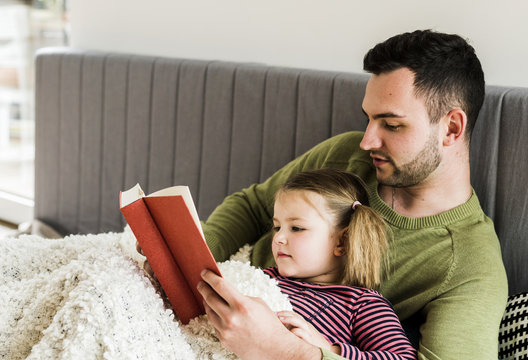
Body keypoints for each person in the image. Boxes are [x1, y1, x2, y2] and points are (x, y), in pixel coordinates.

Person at [196, 29, 508, 360]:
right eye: (369, 119)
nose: (367, 141)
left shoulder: (470, 265)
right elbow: (252, 205)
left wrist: (286, 350)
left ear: (451, 128)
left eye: (391, 124)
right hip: (217, 295)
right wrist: (192, 264)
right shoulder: (345, 155)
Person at [265, 168, 416, 359]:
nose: (278, 237)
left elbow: (403, 357)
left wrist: (329, 349)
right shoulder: (264, 278)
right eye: (277, 227)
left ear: (342, 242)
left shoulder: (361, 304)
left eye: (297, 228)